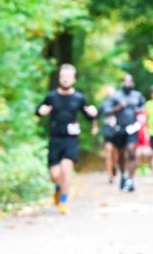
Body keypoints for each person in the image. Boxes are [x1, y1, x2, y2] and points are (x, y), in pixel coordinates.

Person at [35, 63, 98, 215]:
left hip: (71, 140)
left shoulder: (79, 98)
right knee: (55, 175)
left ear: (74, 79)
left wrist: (93, 117)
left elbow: (90, 115)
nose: (65, 80)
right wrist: (40, 112)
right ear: (59, 78)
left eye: (68, 77)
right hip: (55, 139)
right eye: (62, 77)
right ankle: (58, 188)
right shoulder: (51, 97)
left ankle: (63, 201)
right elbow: (39, 110)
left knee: (66, 170)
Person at [100, 74, 146, 192]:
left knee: (131, 151)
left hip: (133, 128)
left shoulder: (137, 95)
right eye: (126, 81)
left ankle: (129, 178)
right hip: (119, 128)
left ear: (133, 83)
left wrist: (140, 112)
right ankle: (123, 175)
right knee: (120, 155)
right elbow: (106, 110)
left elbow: (144, 108)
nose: (128, 83)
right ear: (122, 83)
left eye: (130, 81)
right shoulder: (116, 96)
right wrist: (120, 107)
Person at [100, 84, 119, 184]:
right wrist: (94, 127)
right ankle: (110, 175)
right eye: (108, 93)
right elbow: (96, 116)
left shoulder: (119, 102)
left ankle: (114, 166)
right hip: (107, 130)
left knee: (116, 153)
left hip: (117, 130)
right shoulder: (104, 104)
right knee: (108, 151)